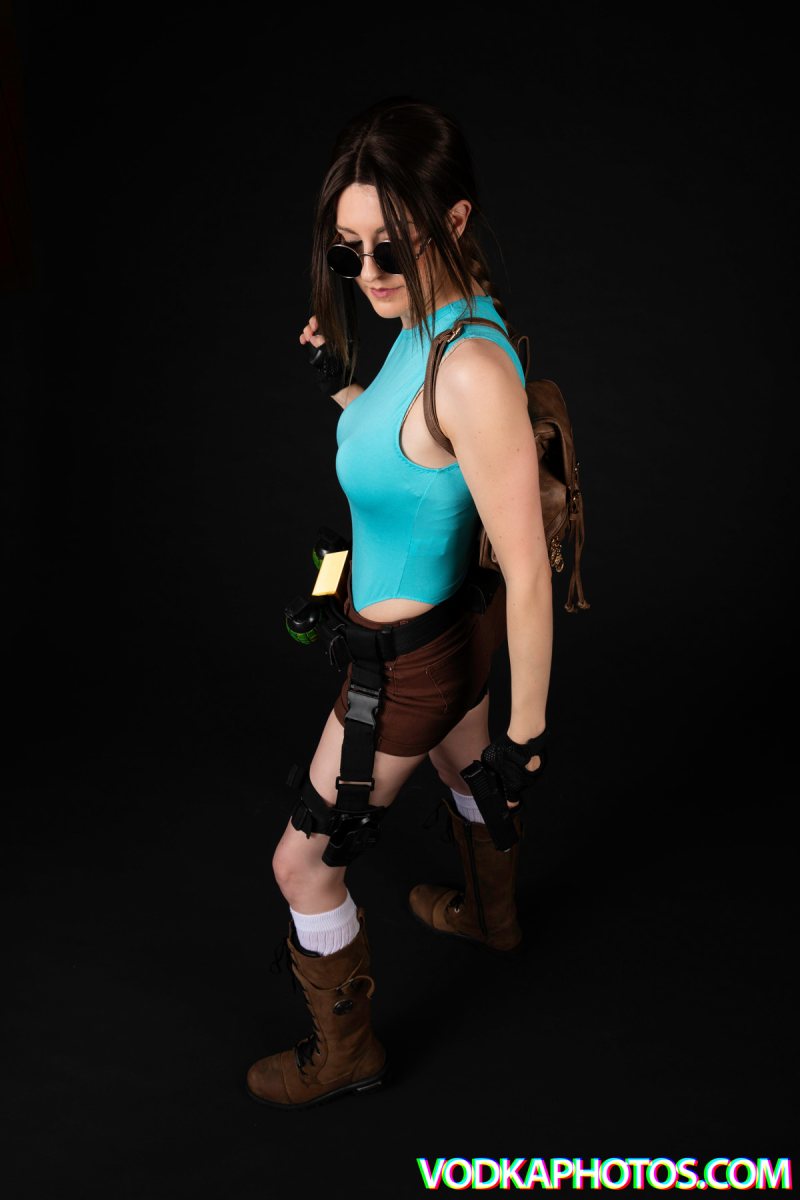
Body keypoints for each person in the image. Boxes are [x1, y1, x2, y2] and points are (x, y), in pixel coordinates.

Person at [246, 96, 553, 1110]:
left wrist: (526, 738)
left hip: (409, 667)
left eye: (392, 245)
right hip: (449, 632)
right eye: (348, 251)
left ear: (453, 221)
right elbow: (415, 461)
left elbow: (528, 566)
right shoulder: (431, 324)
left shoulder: (469, 368)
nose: (368, 273)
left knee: (303, 867)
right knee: (467, 773)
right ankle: (493, 919)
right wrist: (343, 386)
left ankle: (346, 1057)